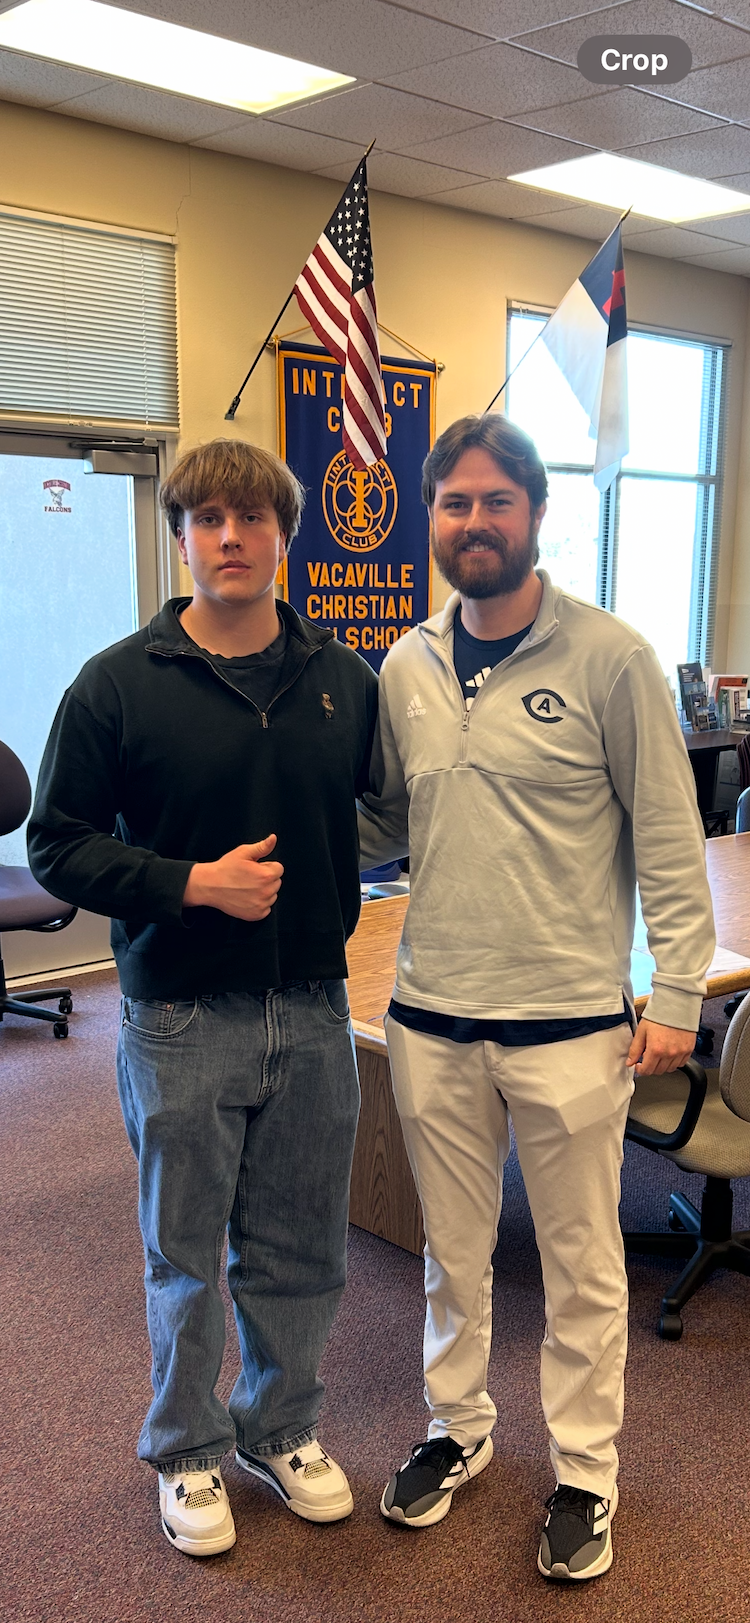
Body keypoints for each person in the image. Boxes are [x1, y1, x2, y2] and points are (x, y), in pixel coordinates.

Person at [357, 414, 714, 1581]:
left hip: (569, 1026)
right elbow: (385, 820)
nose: (473, 523)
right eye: (453, 504)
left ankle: (586, 1476)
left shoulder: (611, 657)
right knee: (453, 1256)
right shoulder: (404, 666)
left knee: (580, 1267)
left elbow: (671, 837)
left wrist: (676, 990)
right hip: (433, 1019)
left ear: (536, 515)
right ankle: (457, 1431)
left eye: (494, 502)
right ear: (433, 521)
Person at [28, 438, 378, 1558]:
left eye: (253, 518)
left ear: (284, 535)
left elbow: (400, 806)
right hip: (179, 1016)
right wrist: (188, 886)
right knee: (184, 1250)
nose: (231, 537)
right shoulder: (117, 683)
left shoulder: (342, 677)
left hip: (315, 1010)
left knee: (302, 1245)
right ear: (181, 537)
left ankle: (280, 1426)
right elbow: (56, 845)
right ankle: (184, 1450)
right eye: (208, 519)